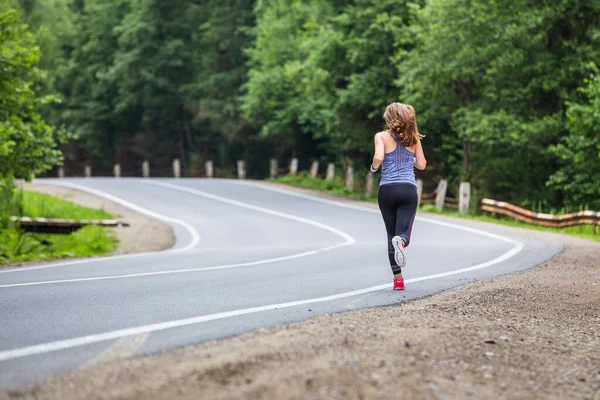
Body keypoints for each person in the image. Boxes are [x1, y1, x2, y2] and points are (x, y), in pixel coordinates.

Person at [369, 102, 427, 290]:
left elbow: (378, 157)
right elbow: (422, 165)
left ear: (389, 118)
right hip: (407, 189)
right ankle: (401, 242)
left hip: (386, 191)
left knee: (390, 234)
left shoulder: (381, 136)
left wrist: (374, 168)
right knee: (403, 233)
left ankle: (398, 280)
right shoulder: (414, 138)